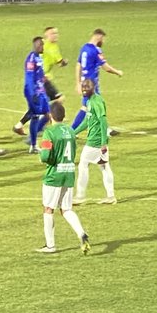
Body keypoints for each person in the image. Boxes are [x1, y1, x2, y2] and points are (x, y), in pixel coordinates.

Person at [38, 101, 91, 255]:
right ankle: (81, 233)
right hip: (69, 174)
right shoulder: (70, 130)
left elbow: (46, 155)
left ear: (50, 116)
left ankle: (50, 245)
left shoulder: (49, 132)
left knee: (48, 209)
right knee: (66, 209)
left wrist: (42, 157)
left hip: (54, 175)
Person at [15, 26, 67, 136]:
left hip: (43, 80)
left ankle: (20, 126)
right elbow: (39, 63)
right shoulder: (45, 47)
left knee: (39, 107)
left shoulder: (54, 47)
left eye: (56, 33)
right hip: (43, 81)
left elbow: (57, 62)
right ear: (46, 35)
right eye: (53, 33)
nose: (55, 35)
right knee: (56, 101)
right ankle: (39, 128)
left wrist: (62, 63)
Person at [71, 29, 124, 130]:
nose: (103, 42)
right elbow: (106, 67)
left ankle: (103, 128)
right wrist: (117, 72)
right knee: (89, 107)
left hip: (84, 82)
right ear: (99, 36)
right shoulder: (96, 50)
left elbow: (78, 65)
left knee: (93, 106)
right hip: (91, 84)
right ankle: (73, 131)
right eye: (103, 39)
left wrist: (78, 83)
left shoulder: (84, 48)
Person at [75, 78, 115, 205]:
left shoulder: (96, 102)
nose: (84, 90)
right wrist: (74, 132)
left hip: (95, 141)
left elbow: (103, 121)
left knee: (83, 165)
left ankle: (80, 196)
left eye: (87, 88)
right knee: (104, 167)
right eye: (83, 88)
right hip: (97, 141)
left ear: (93, 88)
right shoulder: (90, 101)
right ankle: (111, 196)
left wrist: (103, 142)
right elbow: (87, 121)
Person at [23, 37, 52, 153]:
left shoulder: (38, 57)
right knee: (35, 116)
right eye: (42, 45)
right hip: (34, 92)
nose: (43, 47)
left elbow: (38, 74)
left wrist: (43, 78)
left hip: (41, 91)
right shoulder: (31, 59)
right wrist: (32, 93)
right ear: (38, 45)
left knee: (48, 114)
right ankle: (33, 144)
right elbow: (29, 78)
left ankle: (33, 142)